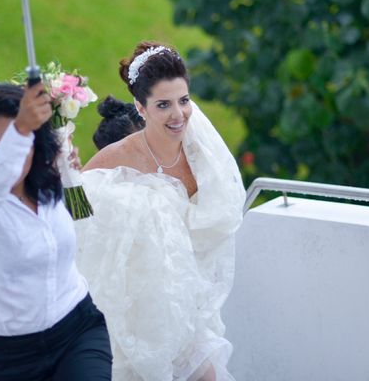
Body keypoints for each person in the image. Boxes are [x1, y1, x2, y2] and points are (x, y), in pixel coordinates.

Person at [77, 42, 246, 381]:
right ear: (141, 108)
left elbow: (225, 208)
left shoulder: (202, 148)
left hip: (188, 302)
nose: (178, 114)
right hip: (139, 308)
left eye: (183, 101)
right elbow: (75, 212)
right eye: (163, 105)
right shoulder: (119, 156)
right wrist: (66, 175)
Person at [0, 82, 113, 381]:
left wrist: (67, 167)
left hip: (77, 329)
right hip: (12, 357)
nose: (14, 156)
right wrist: (19, 130)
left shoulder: (48, 183)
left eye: (24, 142)